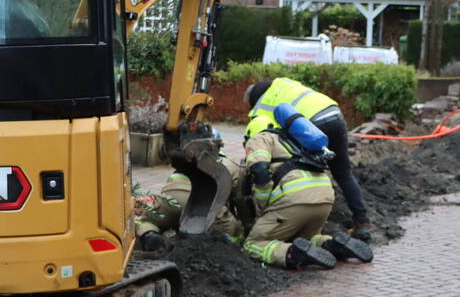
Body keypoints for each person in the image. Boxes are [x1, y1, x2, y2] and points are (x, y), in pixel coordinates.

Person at [244, 78, 373, 241]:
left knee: (301, 169)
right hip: (334, 114)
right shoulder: (283, 83)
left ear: (253, 99)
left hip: (312, 124)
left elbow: (263, 138)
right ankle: (362, 223)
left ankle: (303, 220)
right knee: (343, 173)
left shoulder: (261, 106)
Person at [243, 125, 372, 269]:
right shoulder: (294, 139)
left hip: (295, 198)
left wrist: (261, 208)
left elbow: (260, 171)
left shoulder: (260, 138)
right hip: (324, 194)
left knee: (253, 244)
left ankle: (292, 255)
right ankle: (334, 245)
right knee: (306, 239)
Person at [137, 151, 243, 250]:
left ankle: (149, 234)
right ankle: (225, 247)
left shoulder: (188, 161)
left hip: (173, 195)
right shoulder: (231, 167)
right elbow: (240, 200)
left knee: (144, 218)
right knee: (232, 228)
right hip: (203, 201)